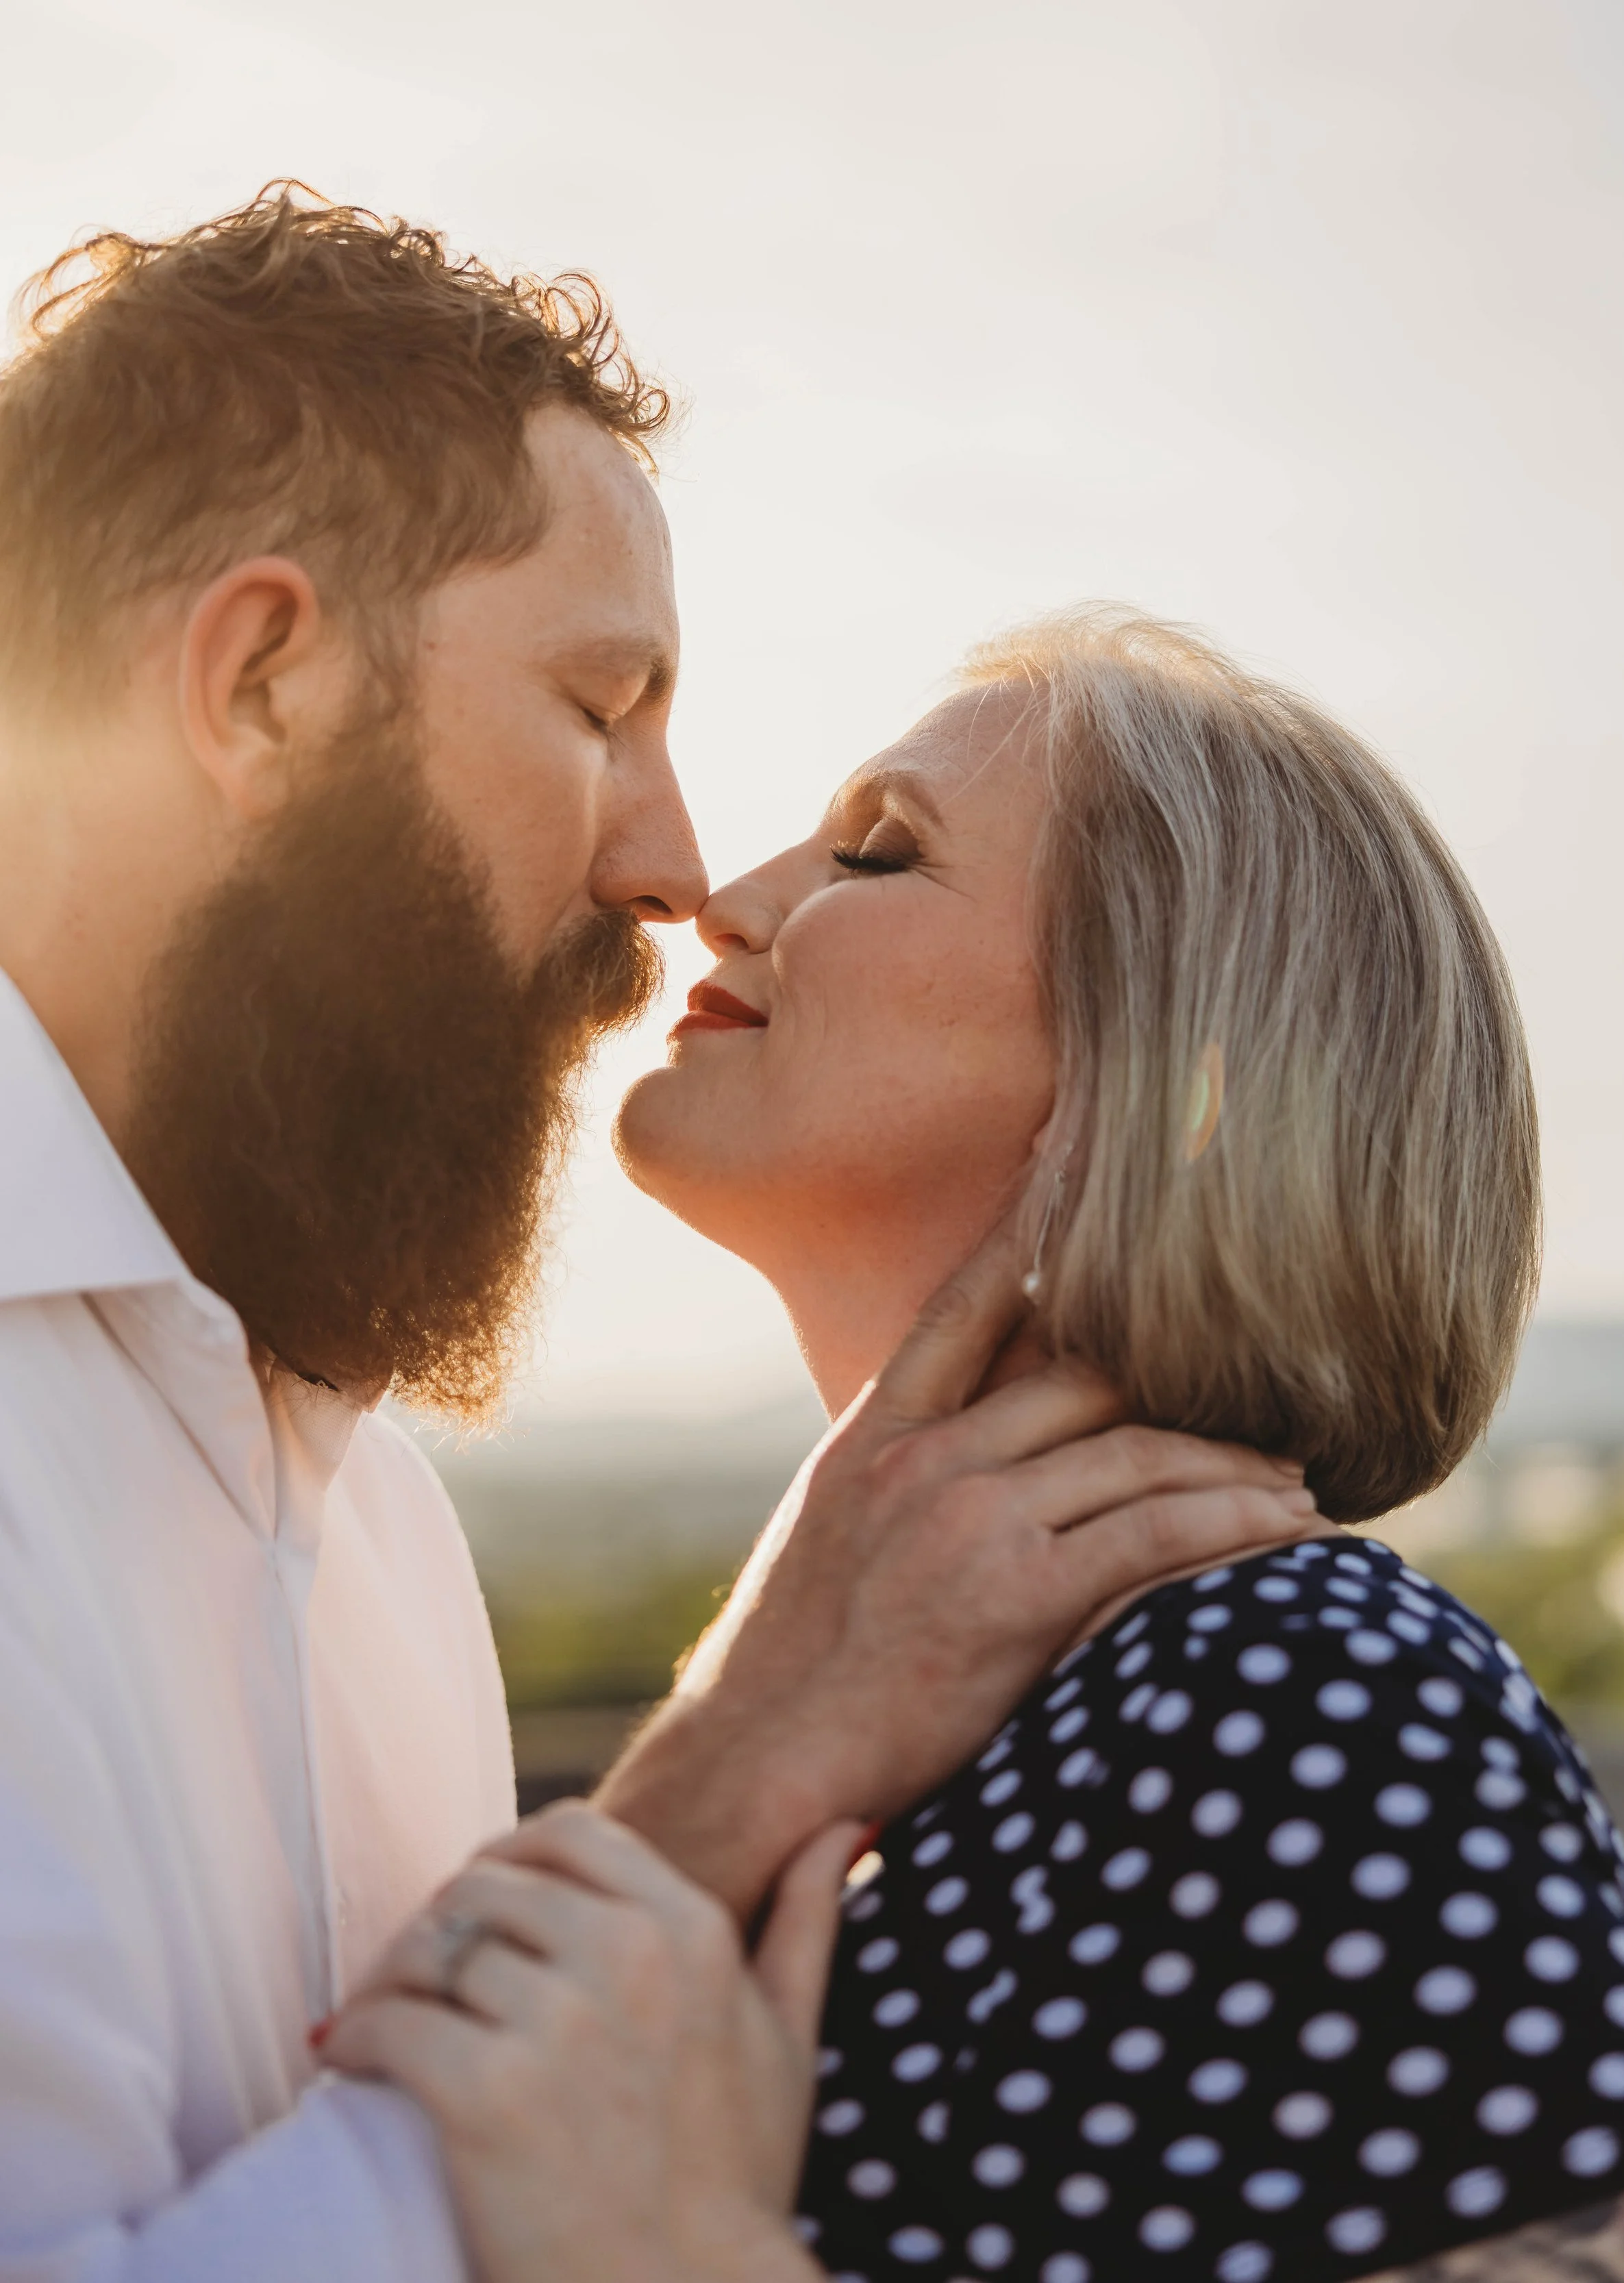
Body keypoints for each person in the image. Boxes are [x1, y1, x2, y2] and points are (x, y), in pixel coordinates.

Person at [0, 187, 1316, 2280]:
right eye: (601, 705)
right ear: (260, 681)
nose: (678, 862)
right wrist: (705, 1797)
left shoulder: (378, 1537)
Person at [334, 612, 1624, 2281]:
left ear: (1157, 1065)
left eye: (878, 850)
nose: (728, 897)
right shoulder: (969, 1706)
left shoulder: (1304, 1688)